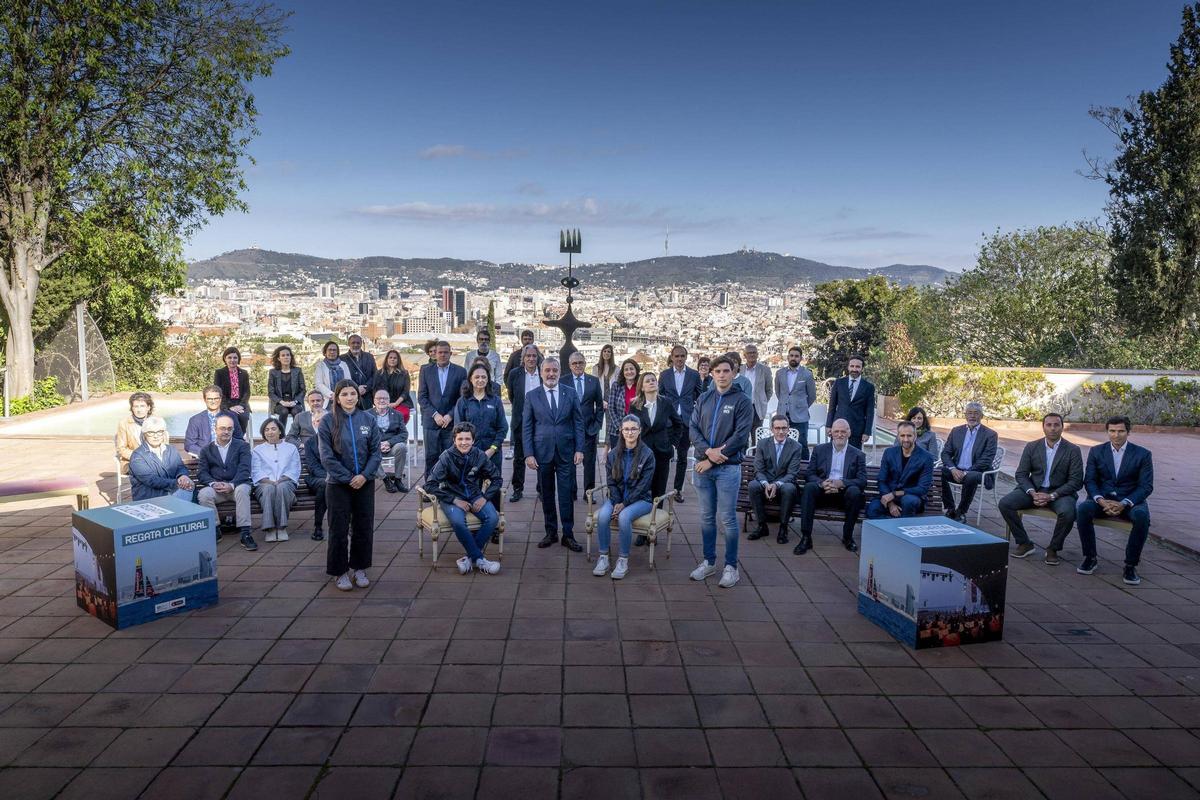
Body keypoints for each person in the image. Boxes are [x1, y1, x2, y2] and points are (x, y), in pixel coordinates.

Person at [689, 355, 754, 588]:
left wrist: (713, 459)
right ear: (712, 374)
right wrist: (708, 453)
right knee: (706, 518)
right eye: (718, 371)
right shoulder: (704, 398)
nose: (722, 375)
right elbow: (693, 428)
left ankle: (731, 567)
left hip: (728, 468)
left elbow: (740, 436)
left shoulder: (743, 401)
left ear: (734, 373)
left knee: (727, 519)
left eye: (727, 371)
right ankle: (708, 562)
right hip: (703, 467)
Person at [319, 379, 382, 591]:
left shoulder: (368, 419)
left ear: (358, 396)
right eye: (344, 394)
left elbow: (375, 452)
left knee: (363, 527)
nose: (349, 398)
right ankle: (340, 572)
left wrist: (364, 476)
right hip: (338, 484)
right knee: (338, 528)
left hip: (365, 482)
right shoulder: (328, 421)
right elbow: (326, 457)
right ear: (337, 398)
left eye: (352, 394)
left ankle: (360, 568)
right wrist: (348, 477)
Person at [1075, 416, 1154, 585]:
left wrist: (1124, 503)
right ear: (1107, 431)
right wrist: (1101, 500)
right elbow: (1089, 480)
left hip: (1130, 500)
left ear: (1128, 432)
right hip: (1102, 499)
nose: (1116, 435)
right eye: (1112, 431)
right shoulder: (1096, 451)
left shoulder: (1143, 454)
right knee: (1082, 510)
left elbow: (1146, 486)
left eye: (1120, 431)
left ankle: (1130, 565)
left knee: (1142, 517)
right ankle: (1090, 557)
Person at [998, 413, 1083, 562]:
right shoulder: (1032, 446)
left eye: (1056, 425)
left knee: (1069, 512)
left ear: (1062, 427)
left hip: (1060, 493)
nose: (1053, 428)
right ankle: (1024, 543)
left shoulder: (1072, 450)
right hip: (1034, 490)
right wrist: (1032, 493)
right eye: (1049, 425)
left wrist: (1052, 496)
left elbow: (1075, 481)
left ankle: (1053, 548)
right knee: (1005, 503)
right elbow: (1022, 474)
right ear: (1043, 427)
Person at [523, 358, 585, 551]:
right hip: (542, 454)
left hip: (567, 452)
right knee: (547, 494)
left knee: (566, 494)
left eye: (555, 371)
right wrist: (529, 454)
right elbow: (527, 427)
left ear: (559, 372)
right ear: (541, 373)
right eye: (547, 370)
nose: (551, 374)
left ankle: (568, 534)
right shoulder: (532, 396)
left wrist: (580, 449)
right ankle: (551, 532)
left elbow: (578, 423)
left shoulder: (571, 393)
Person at [427, 422, 503, 576]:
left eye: (467, 439)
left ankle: (469, 558)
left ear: (473, 440)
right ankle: (480, 560)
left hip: (475, 495)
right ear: (454, 440)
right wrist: (454, 500)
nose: (464, 442)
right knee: (458, 521)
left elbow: (497, 479)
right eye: (460, 439)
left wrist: (485, 497)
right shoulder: (446, 457)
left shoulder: (479, 455)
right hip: (451, 496)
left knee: (493, 517)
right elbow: (430, 484)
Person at [592, 415, 656, 580]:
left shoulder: (647, 455)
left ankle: (623, 560)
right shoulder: (613, 454)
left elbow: (644, 486)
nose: (630, 432)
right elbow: (611, 483)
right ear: (621, 431)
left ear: (640, 430)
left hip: (642, 500)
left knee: (624, 516)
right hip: (617, 497)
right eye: (626, 429)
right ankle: (604, 557)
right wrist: (617, 501)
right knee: (603, 515)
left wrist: (624, 504)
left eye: (633, 429)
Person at [797, 418, 867, 554]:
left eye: (843, 431)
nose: (840, 434)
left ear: (849, 433)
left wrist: (842, 483)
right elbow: (809, 474)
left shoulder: (858, 454)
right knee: (809, 488)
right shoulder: (820, 450)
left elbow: (862, 480)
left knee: (854, 492)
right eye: (836, 431)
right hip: (823, 492)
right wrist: (822, 483)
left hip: (844, 495)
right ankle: (806, 537)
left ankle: (847, 537)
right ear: (831, 433)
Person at [197, 414, 256, 550]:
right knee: (204, 494)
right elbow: (202, 472)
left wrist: (232, 484)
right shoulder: (206, 450)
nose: (226, 432)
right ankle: (216, 529)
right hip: (217, 488)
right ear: (215, 429)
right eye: (222, 428)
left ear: (233, 430)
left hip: (237, 486)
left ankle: (245, 533)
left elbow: (245, 470)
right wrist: (212, 483)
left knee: (242, 490)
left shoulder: (242, 446)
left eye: (229, 429)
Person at [455, 363, 508, 501]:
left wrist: (493, 449)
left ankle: (494, 518)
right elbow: (458, 430)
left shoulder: (495, 401)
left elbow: (503, 427)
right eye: (477, 377)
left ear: (488, 379)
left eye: (484, 377)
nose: (480, 380)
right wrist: (469, 449)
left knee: (494, 490)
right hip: (470, 454)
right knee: (471, 490)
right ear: (470, 379)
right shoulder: (463, 401)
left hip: (493, 453)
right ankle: (474, 519)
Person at [747, 414, 804, 545]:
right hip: (765, 483)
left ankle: (783, 528)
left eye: (784, 428)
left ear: (788, 429)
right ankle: (762, 526)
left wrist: (776, 484)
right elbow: (759, 469)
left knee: (789, 488)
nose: (781, 431)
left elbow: (792, 473)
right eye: (777, 428)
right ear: (772, 429)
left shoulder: (796, 447)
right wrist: (766, 484)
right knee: (753, 485)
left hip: (784, 484)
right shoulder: (762, 444)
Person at [938, 402, 999, 522]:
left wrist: (966, 472)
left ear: (981, 416)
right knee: (936, 472)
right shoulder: (956, 431)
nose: (972, 416)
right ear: (965, 415)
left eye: (976, 413)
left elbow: (987, 459)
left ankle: (961, 511)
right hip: (956, 470)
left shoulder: (990, 435)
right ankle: (950, 508)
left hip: (979, 472)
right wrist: (953, 469)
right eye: (969, 413)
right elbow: (945, 453)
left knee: (971, 477)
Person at [630, 371, 683, 506]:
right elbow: (630, 427)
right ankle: (642, 517)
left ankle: (657, 518)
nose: (651, 382)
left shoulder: (666, 402)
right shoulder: (635, 405)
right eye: (647, 381)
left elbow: (678, 424)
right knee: (642, 486)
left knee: (659, 489)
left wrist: (673, 444)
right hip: (642, 452)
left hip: (662, 451)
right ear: (642, 387)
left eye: (653, 380)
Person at [418, 340, 467, 479]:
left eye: (446, 352)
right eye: (440, 352)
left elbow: (461, 397)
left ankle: (448, 488)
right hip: (431, 422)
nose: (443, 355)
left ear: (451, 354)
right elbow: (422, 397)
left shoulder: (460, 371)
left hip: (450, 423)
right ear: (435, 354)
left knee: (450, 457)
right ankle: (430, 488)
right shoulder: (425, 370)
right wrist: (435, 415)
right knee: (431, 457)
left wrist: (450, 415)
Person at [659, 345, 702, 503]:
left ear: (686, 357)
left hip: (686, 421)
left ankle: (677, 490)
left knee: (683, 457)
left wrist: (694, 413)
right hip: (668, 421)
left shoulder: (694, 375)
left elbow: (700, 395)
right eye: (676, 356)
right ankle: (661, 488)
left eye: (682, 356)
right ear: (671, 357)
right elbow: (660, 396)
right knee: (664, 456)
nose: (679, 359)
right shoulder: (664, 375)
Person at [866, 421, 934, 519]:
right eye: (902, 435)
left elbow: (922, 488)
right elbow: (882, 480)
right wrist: (890, 504)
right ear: (898, 436)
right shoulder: (889, 453)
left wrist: (895, 494)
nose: (906, 439)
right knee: (873, 509)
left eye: (909, 436)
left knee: (908, 501)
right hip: (889, 497)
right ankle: (894, 527)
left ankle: (900, 527)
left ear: (915, 436)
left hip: (912, 498)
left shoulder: (926, 457)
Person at [251, 418, 301, 543]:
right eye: (266, 430)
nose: (270, 432)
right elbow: (256, 471)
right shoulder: (257, 450)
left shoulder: (291, 448)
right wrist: (269, 481)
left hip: (286, 482)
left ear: (280, 431)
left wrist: (281, 480)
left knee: (281, 488)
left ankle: (281, 527)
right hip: (264, 484)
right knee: (269, 489)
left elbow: (294, 469)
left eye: (273, 429)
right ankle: (270, 529)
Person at [504, 344, 542, 502]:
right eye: (528, 356)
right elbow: (513, 397)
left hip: (541, 422)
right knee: (519, 457)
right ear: (523, 358)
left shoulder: (543, 373)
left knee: (542, 457)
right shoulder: (515, 374)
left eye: (534, 356)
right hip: (520, 421)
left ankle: (542, 490)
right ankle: (517, 489)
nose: (531, 359)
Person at [128, 416, 194, 502]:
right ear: (144, 434)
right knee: (186, 494)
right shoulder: (137, 456)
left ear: (164, 433)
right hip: (149, 497)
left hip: (171, 492)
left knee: (190, 490)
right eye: (151, 432)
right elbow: (151, 480)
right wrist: (177, 483)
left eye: (159, 432)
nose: (156, 436)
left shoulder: (171, 450)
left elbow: (180, 467)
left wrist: (183, 476)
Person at [566, 352, 605, 497]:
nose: (578, 365)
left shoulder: (593, 381)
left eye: (580, 362)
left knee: (589, 464)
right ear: (570, 365)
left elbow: (600, 407)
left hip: (589, 430)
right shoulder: (563, 381)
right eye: (574, 363)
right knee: (570, 464)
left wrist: (597, 425)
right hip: (569, 430)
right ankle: (572, 491)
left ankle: (589, 493)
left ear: (585, 364)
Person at [774, 346, 817, 459]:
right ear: (788, 357)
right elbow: (779, 393)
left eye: (796, 356)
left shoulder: (807, 374)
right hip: (782, 415)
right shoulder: (779, 373)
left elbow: (812, 396)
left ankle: (804, 470)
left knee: (802, 444)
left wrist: (800, 406)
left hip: (800, 416)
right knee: (781, 444)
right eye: (791, 355)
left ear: (801, 358)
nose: (794, 358)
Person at [825, 355, 876, 450]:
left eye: (857, 367)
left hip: (857, 429)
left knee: (854, 458)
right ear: (848, 367)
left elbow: (870, 412)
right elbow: (832, 407)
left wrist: (867, 432)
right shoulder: (838, 383)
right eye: (852, 366)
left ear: (862, 368)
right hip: (838, 427)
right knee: (834, 454)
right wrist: (828, 425)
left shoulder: (868, 387)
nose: (854, 369)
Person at [184, 386, 244, 456]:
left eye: (216, 398)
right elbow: (189, 445)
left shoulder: (231, 417)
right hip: (205, 460)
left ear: (220, 399)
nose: (213, 401)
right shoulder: (195, 420)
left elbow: (239, 439)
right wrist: (207, 454)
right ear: (204, 399)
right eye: (210, 399)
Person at [369, 388, 409, 493]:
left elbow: (404, 434)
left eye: (385, 398)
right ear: (374, 400)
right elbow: (363, 436)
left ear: (389, 400)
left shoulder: (397, 414)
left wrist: (389, 443)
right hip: (375, 448)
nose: (382, 401)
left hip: (391, 446)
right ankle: (385, 479)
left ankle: (397, 479)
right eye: (379, 398)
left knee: (402, 447)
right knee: (368, 450)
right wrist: (378, 445)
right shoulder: (366, 415)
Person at [303, 405, 328, 542]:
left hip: (336, 477)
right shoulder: (310, 443)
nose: (322, 424)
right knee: (325, 485)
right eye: (318, 421)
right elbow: (313, 467)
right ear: (314, 424)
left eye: (325, 420)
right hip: (316, 478)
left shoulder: (338, 440)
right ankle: (318, 525)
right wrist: (331, 477)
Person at [268, 345, 306, 433]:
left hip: (294, 402)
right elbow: (271, 392)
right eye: (283, 355)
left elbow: (303, 390)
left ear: (291, 357)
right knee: (284, 411)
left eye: (288, 355)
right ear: (278, 358)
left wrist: (295, 401)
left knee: (296, 411)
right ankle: (281, 435)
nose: (286, 357)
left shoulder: (297, 371)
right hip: (279, 403)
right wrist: (281, 402)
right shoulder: (273, 372)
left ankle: (297, 435)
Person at [214, 346, 252, 433]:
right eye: (229, 357)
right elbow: (218, 392)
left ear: (238, 359)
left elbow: (247, 392)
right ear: (225, 359)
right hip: (226, 403)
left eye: (235, 357)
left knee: (244, 416)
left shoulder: (244, 373)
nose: (232, 360)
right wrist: (229, 406)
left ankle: (239, 439)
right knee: (232, 415)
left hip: (241, 403)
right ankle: (234, 439)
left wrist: (241, 405)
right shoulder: (219, 373)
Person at [115, 392, 154, 472]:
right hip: (131, 461)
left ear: (148, 407)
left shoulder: (156, 421)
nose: (139, 410)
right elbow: (121, 449)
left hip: (153, 460)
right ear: (132, 408)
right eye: (136, 406)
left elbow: (164, 445)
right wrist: (140, 457)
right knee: (145, 469)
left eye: (142, 406)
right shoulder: (124, 423)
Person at [371, 349, 414, 420]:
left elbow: (405, 392)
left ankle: (398, 430)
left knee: (401, 415)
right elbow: (375, 390)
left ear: (398, 360)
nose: (392, 359)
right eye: (390, 357)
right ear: (387, 359)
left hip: (401, 403)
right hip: (382, 403)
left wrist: (395, 404)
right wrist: (382, 403)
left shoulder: (404, 374)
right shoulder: (379, 373)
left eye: (395, 358)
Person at [740, 343, 773, 434]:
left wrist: (763, 401)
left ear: (757, 354)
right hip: (742, 408)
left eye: (754, 352)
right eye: (749, 352)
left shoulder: (765, 370)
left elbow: (769, 390)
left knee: (757, 436)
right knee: (742, 436)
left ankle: (756, 449)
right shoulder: (740, 369)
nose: (752, 354)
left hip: (757, 408)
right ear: (745, 355)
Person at [606, 359, 640, 448]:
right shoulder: (616, 385)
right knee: (618, 458)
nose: (629, 372)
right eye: (626, 369)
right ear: (623, 372)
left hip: (636, 430)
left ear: (636, 370)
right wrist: (620, 427)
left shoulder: (641, 386)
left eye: (631, 369)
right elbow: (611, 407)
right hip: (617, 430)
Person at [341, 334, 377, 410]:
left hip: (367, 396)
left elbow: (375, 375)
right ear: (349, 344)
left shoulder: (369, 357)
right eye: (353, 343)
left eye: (358, 343)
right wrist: (356, 388)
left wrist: (366, 388)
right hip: (350, 396)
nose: (356, 345)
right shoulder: (342, 359)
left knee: (366, 418)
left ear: (361, 344)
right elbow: (341, 378)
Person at [314, 341, 348, 409]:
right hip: (328, 400)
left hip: (343, 399)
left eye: (334, 350)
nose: (332, 352)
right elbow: (319, 384)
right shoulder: (320, 365)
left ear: (337, 352)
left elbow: (348, 381)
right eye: (329, 350)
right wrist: (332, 395)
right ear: (325, 352)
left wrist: (342, 395)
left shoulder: (343, 364)